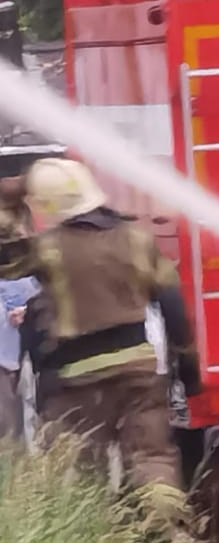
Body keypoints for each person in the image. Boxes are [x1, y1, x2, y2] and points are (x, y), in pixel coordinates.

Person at [0, 158, 195, 511]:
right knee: (152, 458)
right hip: (140, 368)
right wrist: (187, 361)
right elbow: (172, 302)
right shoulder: (137, 237)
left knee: (76, 466)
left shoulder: (49, 247)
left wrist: (8, 203)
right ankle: (168, 531)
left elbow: (5, 261)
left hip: (78, 378)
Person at [0, 272, 38, 441]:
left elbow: (43, 286)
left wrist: (24, 310)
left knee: (10, 425)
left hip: (8, 364)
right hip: (7, 364)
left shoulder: (18, 286)